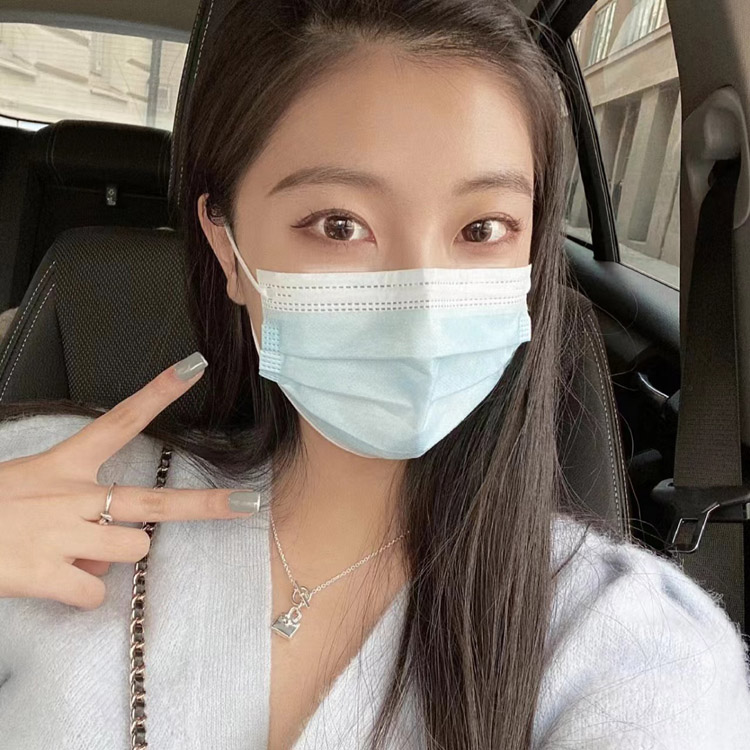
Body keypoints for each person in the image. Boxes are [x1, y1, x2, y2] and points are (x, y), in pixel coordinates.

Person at [0, 1, 749, 748]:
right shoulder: (46, 489)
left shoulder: (638, 647)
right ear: (228, 249)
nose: (419, 304)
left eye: (482, 228)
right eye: (339, 225)